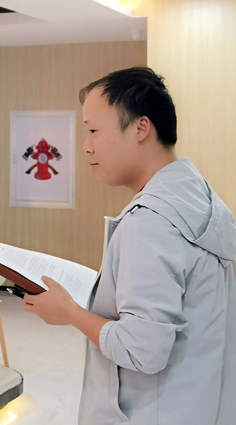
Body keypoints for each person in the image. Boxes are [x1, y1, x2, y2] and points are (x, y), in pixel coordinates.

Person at [25, 67, 236, 425]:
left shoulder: (150, 221)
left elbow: (143, 350)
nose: (87, 145)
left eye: (94, 130)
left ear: (141, 128)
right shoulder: (201, 197)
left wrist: (69, 312)